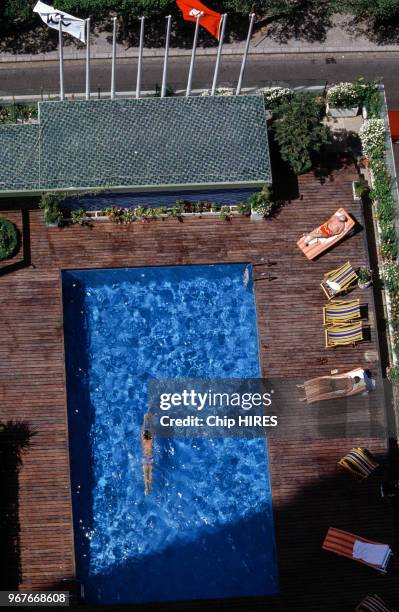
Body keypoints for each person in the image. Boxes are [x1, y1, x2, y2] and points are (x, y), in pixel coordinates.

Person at [141, 413, 154, 495]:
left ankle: (146, 488)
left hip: (145, 458)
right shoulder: (151, 442)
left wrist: (145, 420)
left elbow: (142, 430)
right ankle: (149, 488)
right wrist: (150, 420)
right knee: (150, 474)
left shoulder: (144, 442)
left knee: (146, 475)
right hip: (151, 458)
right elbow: (151, 430)